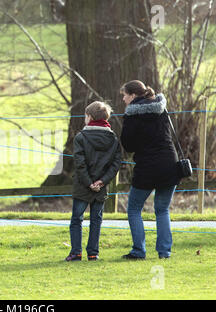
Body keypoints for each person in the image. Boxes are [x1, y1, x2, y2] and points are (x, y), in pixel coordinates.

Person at [120, 80, 181, 260]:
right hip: (169, 163)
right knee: (162, 210)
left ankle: (139, 251)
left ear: (133, 95)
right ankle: (164, 252)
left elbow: (128, 145)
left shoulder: (132, 115)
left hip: (147, 166)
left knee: (134, 208)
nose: (123, 99)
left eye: (124, 95)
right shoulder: (161, 108)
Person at [65, 101, 122, 262]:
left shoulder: (81, 137)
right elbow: (116, 163)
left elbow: (79, 163)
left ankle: (76, 252)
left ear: (89, 117)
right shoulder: (113, 138)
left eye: (85, 115)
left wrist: (89, 182)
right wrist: (102, 182)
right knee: (96, 219)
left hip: (83, 185)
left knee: (77, 218)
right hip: (101, 186)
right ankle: (93, 253)